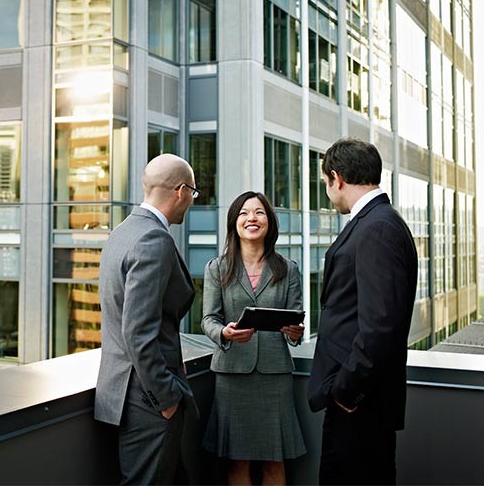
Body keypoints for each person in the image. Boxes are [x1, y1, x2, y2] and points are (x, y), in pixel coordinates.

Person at [307, 138, 418, 485]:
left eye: (325, 183)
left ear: (336, 178)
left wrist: (346, 391)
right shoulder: (375, 222)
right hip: (354, 400)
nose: (328, 190)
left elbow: (380, 325)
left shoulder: (378, 228)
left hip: (360, 403)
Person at [94, 153, 198, 485]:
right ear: (181, 192)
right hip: (147, 399)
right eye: (193, 194)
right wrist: (166, 398)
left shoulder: (122, 231)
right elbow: (137, 331)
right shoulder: (155, 239)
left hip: (121, 394)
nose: (191, 202)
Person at [201, 191, 306, 485]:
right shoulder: (217, 268)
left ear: (269, 222)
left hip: (274, 375)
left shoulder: (288, 269)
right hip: (232, 375)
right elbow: (208, 319)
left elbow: (295, 319)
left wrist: (294, 332)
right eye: (244, 213)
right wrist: (224, 332)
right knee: (238, 462)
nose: (252, 218)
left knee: (275, 462)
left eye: (259, 212)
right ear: (234, 222)